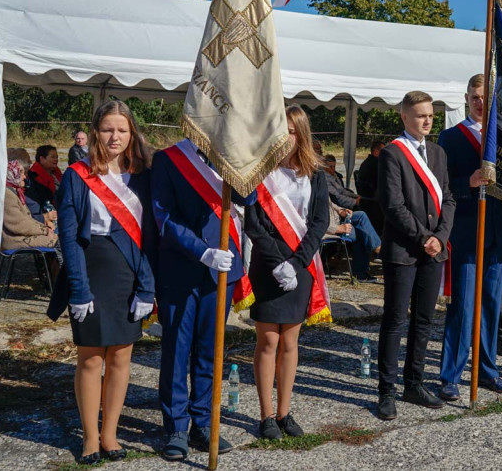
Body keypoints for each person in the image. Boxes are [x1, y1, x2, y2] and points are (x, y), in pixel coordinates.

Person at [46, 100, 156, 464]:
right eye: (108, 129)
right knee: (91, 357)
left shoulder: (142, 175)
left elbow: (149, 238)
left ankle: (110, 434)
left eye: (123, 130)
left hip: (129, 272)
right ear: (95, 131)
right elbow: (69, 238)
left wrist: (146, 286)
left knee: (122, 356)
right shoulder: (77, 176)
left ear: (132, 133)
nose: (116, 136)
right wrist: (77, 289)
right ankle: (90, 437)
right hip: (90, 271)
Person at [151, 137, 256, 461]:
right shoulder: (168, 159)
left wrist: (234, 163)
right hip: (182, 270)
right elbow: (164, 217)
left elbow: (247, 196)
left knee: (210, 352)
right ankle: (177, 427)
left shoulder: (229, 155)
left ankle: (203, 422)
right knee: (177, 353)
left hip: (220, 272)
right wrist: (202, 251)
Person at [245, 106, 331, 440]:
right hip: (267, 266)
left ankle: (284, 413)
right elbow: (253, 222)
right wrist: (278, 262)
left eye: (292, 131)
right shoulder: (258, 171)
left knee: (290, 342)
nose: (285, 137)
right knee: (267, 340)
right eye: (280, 131)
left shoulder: (315, 172)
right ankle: (265, 415)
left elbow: (320, 221)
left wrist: (295, 264)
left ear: (302, 134)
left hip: (301, 267)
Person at [438, 75, 502, 401]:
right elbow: (443, 188)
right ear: (466, 98)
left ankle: (486, 370)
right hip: (466, 234)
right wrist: (468, 182)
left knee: (491, 307)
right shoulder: (450, 138)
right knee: (462, 307)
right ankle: (450, 376)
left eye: (485, 97)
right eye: (474, 97)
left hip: (500, 236)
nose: (480, 102)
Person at [376, 91, 455, 420]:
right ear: (405, 117)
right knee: (395, 320)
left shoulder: (437, 153)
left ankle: (414, 382)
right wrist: (425, 238)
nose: (427, 121)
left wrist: (440, 237)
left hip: (432, 251)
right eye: (421, 115)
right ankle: (386, 391)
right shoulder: (393, 154)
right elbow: (393, 205)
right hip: (404, 250)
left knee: (424, 320)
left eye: (431, 116)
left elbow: (448, 198)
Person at [322, 154, 381, 281]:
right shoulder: (320, 181)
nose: (332, 169)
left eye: (334, 166)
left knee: (361, 219)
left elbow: (331, 201)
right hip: (330, 227)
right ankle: (374, 255)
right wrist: (336, 228)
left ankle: (375, 251)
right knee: (361, 227)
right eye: (329, 167)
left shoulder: (322, 180)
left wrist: (341, 209)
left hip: (337, 218)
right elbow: (315, 219)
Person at [356, 140, 386, 233]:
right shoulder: (376, 165)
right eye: (383, 152)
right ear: (376, 151)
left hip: (368, 200)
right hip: (374, 203)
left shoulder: (367, 162)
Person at [27, 144, 63, 210]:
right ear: (42, 159)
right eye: (52, 157)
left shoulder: (56, 172)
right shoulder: (34, 175)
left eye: (57, 157)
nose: (56, 159)